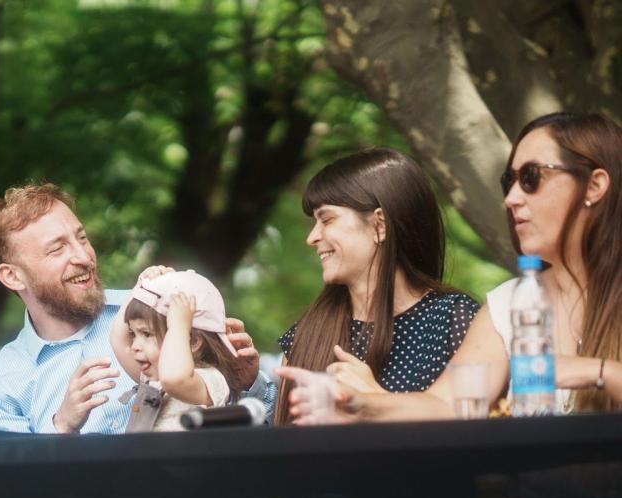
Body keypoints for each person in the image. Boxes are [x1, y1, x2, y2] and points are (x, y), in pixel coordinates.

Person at [281, 112, 622, 422]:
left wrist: (600, 373)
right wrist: (362, 405)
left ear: (594, 185)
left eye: (532, 177)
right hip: (536, 492)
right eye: (510, 181)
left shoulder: (451, 314)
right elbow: (447, 404)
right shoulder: (507, 304)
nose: (512, 198)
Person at [0, 183, 274, 434]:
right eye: (57, 249)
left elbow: (256, 424)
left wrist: (248, 384)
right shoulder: (0, 382)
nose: (83, 256)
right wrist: (61, 426)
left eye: (81, 238)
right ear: (12, 276)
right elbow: (15, 490)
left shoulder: (160, 313)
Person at [273, 147, 479, 424]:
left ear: (380, 225)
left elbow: (475, 440)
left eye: (328, 219)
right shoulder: (307, 332)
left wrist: (373, 400)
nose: (312, 237)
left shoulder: (453, 320)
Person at [110, 269, 242, 432]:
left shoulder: (209, 380)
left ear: (192, 341)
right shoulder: (153, 378)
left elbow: (174, 380)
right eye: (133, 334)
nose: (134, 345)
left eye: (146, 334)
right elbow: (119, 340)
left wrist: (179, 325)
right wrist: (141, 286)